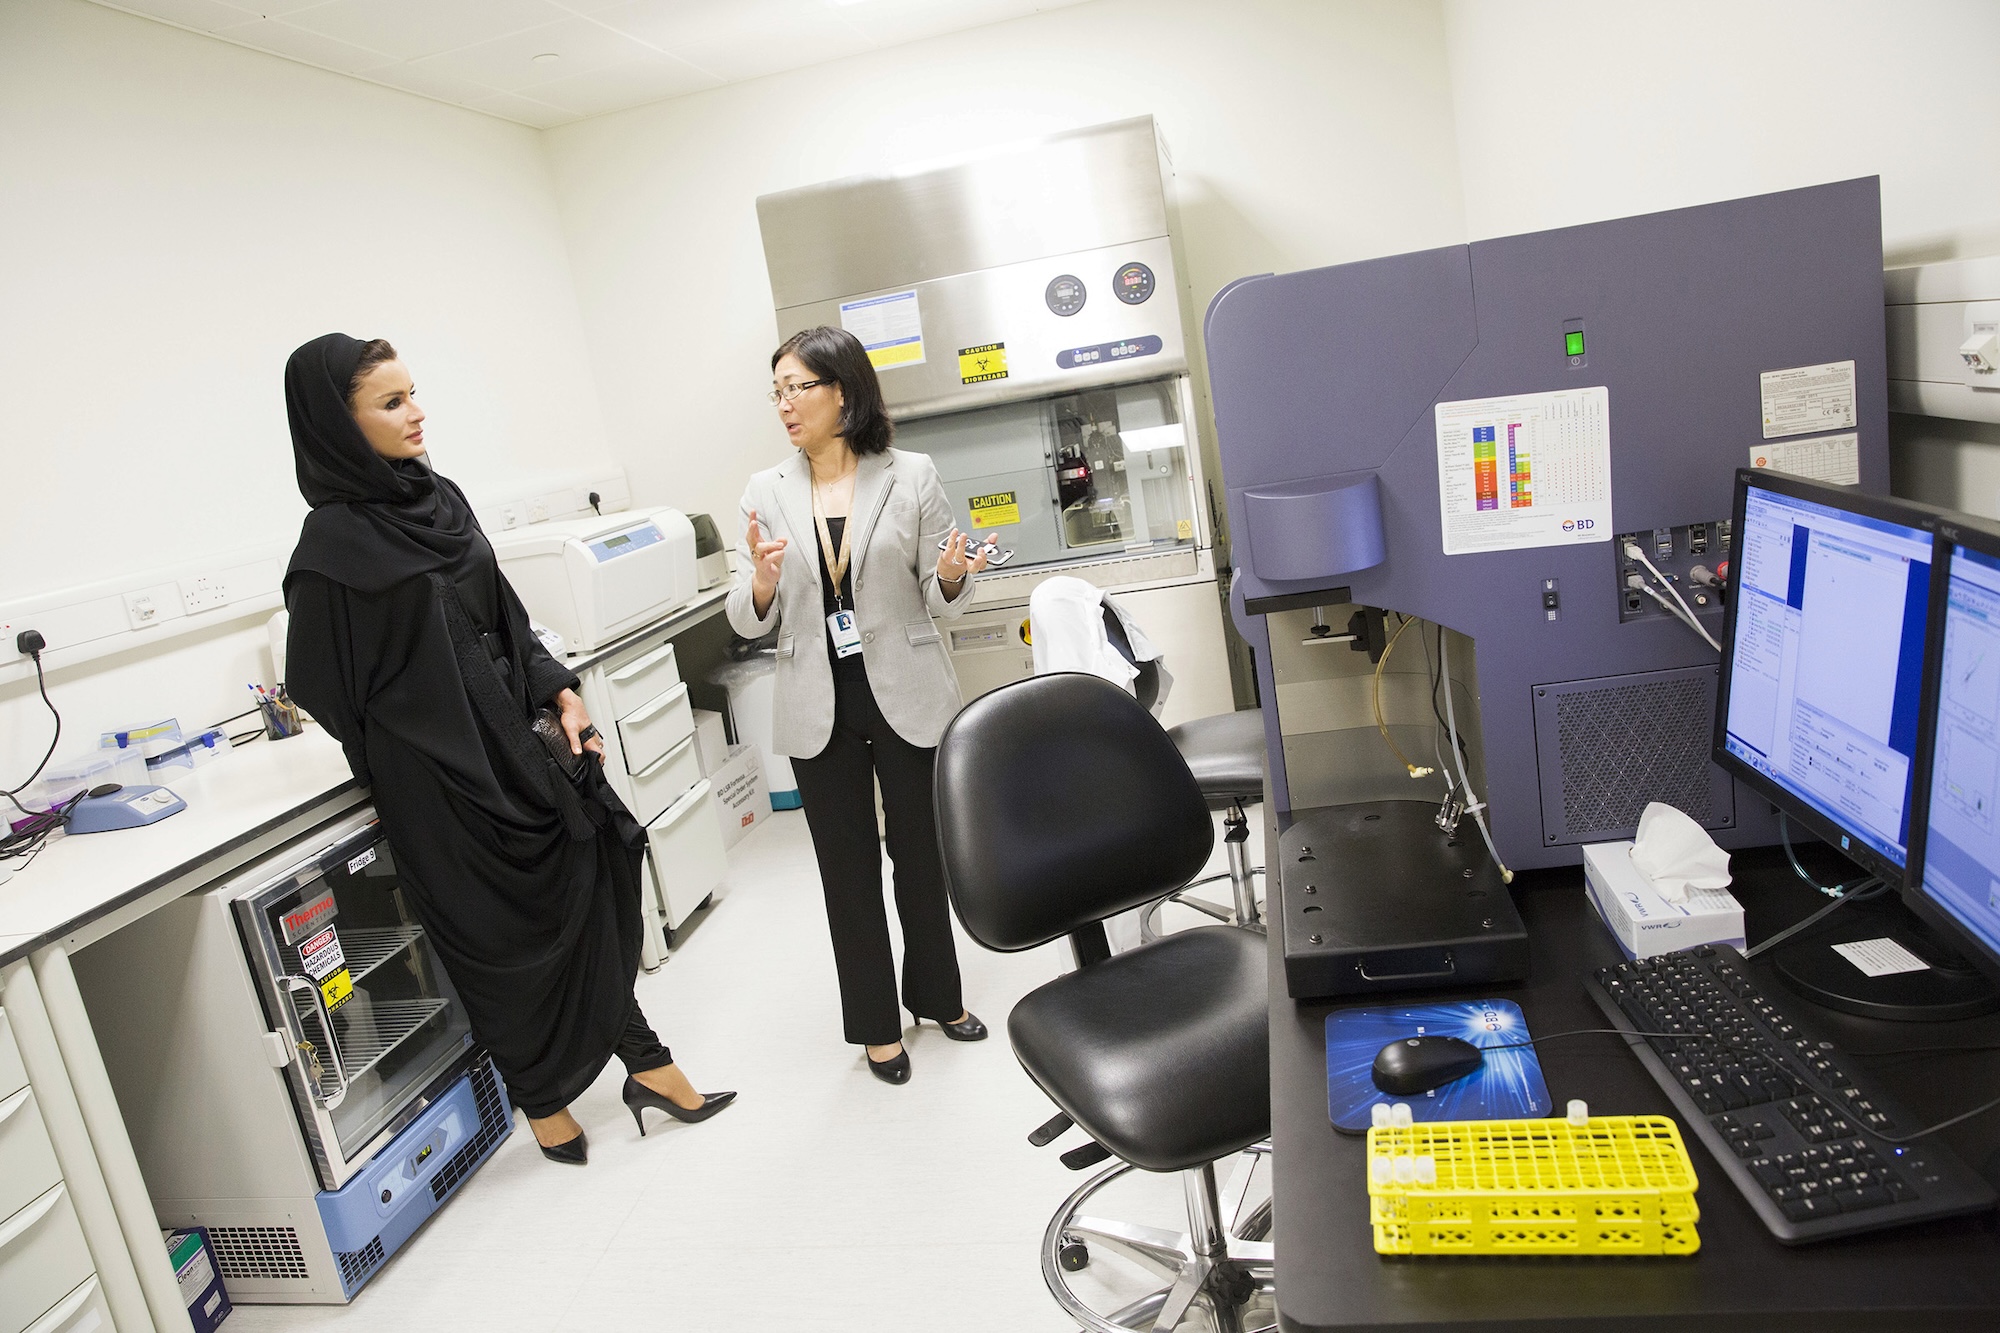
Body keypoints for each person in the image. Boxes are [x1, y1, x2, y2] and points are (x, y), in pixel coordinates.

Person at [281, 333, 733, 1164]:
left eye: (414, 393)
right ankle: (557, 1099)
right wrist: (425, 728)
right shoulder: (330, 554)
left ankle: (645, 1064)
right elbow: (321, 685)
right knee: (502, 947)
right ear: (338, 424)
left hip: (522, 750)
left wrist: (558, 687)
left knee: (591, 885)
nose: (417, 413)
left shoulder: (440, 498)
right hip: (443, 785)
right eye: (391, 402)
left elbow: (506, 614)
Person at [726, 326, 990, 1085]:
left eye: (797, 387)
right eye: (777, 391)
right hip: (819, 698)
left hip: (906, 687)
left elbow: (945, 591)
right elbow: (746, 617)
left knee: (922, 856)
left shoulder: (911, 474)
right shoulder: (764, 492)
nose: (785, 404)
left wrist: (950, 574)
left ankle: (938, 996)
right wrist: (763, 583)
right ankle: (876, 1026)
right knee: (847, 872)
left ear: (841, 391)